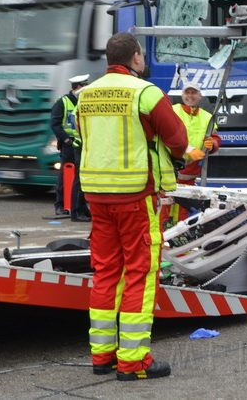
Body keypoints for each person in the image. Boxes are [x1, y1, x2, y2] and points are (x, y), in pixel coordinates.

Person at [76, 33, 197, 381]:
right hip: (133, 194)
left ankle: (102, 356)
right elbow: (178, 140)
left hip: (96, 194)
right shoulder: (145, 92)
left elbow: (86, 139)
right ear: (136, 59)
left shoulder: (86, 95)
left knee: (106, 273)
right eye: (142, 56)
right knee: (140, 275)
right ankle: (133, 361)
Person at [164, 79, 221, 227]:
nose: (190, 96)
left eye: (193, 92)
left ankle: (181, 245)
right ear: (182, 95)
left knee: (184, 212)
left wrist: (212, 144)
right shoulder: (172, 110)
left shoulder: (207, 117)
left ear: (200, 95)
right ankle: (164, 242)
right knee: (164, 209)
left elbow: (215, 137)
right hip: (170, 170)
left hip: (191, 172)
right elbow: (167, 136)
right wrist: (188, 150)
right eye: (187, 92)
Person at [49, 74, 90, 220]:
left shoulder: (84, 101)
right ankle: (60, 205)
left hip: (80, 144)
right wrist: (66, 140)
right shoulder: (63, 102)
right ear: (77, 87)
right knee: (65, 176)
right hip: (68, 144)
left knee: (79, 177)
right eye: (84, 86)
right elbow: (55, 123)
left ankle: (77, 206)